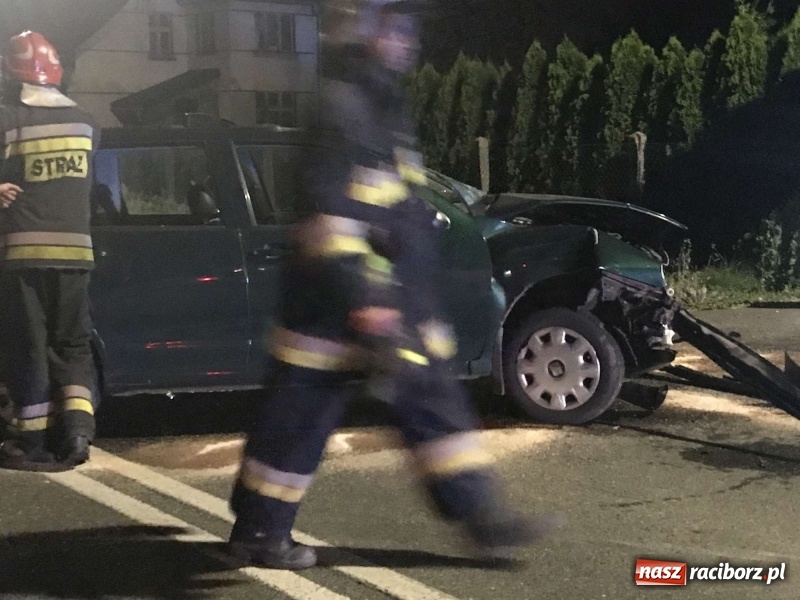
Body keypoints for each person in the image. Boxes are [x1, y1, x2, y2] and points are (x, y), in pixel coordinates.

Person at [227, 0, 562, 570]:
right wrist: (370, 304)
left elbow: (402, 211)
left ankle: (486, 522)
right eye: (396, 25)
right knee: (293, 428)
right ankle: (259, 533)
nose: (409, 39)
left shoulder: (378, 104)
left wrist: (416, 300)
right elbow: (330, 222)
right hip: (332, 311)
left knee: (435, 409)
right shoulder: (342, 107)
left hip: (385, 302)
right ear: (361, 28)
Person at [0, 31, 100, 472]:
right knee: (73, 344)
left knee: (30, 346)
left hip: (24, 254)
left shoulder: (9, 120)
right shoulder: (86, 122)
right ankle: (78, 434)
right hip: (77, 254)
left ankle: (31, 441)